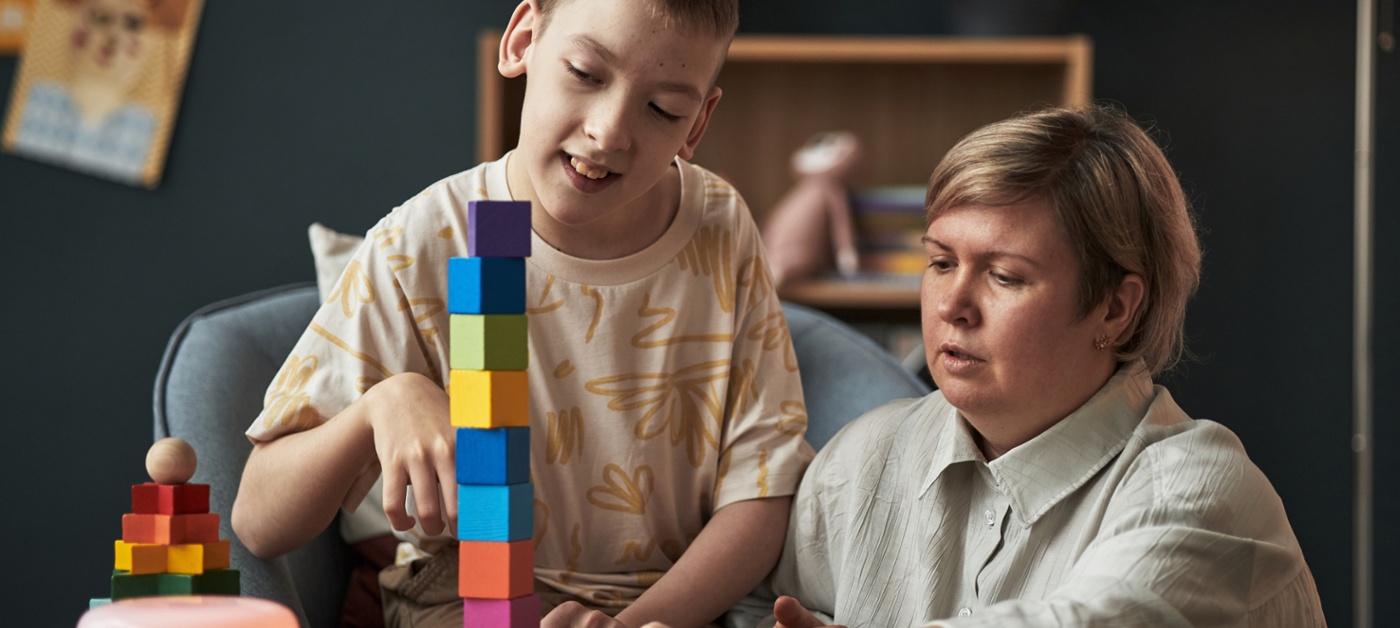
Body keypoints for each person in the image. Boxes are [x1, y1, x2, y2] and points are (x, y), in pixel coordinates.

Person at [231, 1, 813, 626]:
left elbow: (761, 493)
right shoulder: (431, 241)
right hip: (464, 592)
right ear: (523, 40)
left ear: (697, 123)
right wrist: (383, 404)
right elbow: (259, 520)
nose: (609, 131)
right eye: (586, 73)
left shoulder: (721, 226)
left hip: (677, 601)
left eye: (663, 109)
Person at [766, 105, 1328, 627]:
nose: (951, 306)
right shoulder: (864, 455)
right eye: (940, 262)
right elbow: (753, 607)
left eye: (1005, 276)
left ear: (1115, 308)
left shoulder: (1203, 492)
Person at [8, 0, 190, 184]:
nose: (112, 37)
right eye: (101, 18)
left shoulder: (150, 134)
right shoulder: (36, 102)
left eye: (133, 24)